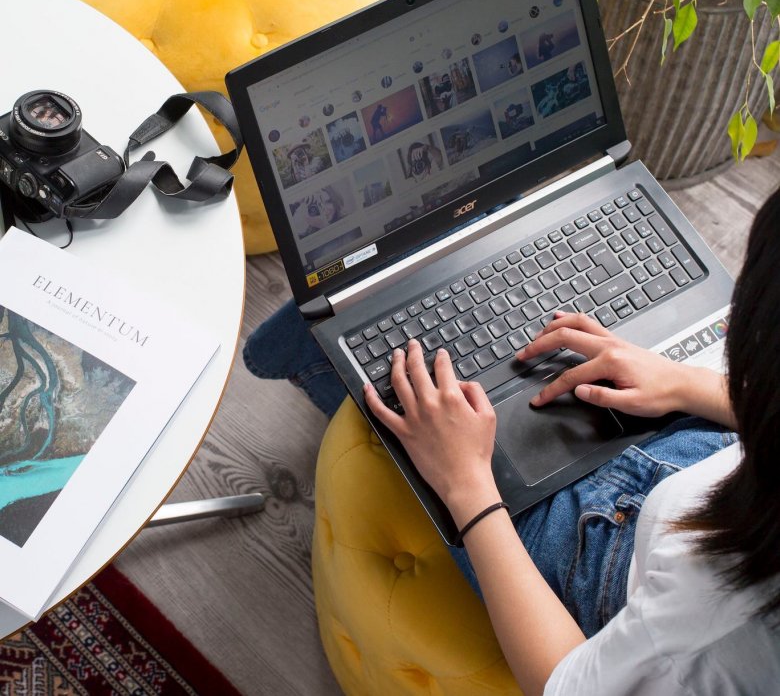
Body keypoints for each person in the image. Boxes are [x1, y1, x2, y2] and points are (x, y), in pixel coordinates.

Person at [244, 187, 780, 693]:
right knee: (495, 229)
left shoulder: (718, 626)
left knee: (422, 282)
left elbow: (565, 685)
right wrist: (692, 384)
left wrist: (468, 488)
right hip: (716, 463)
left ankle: (309, 359)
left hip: (596, 543)